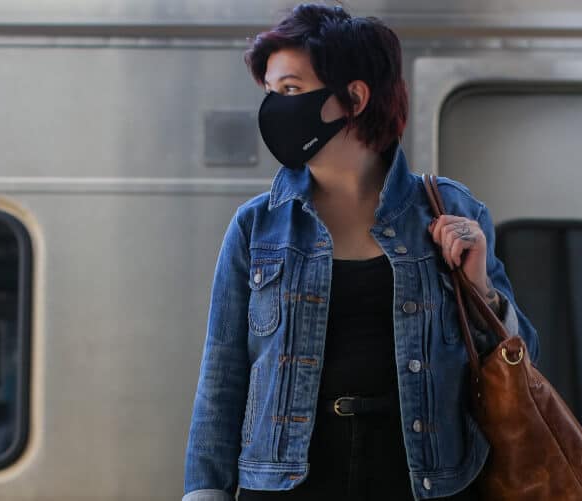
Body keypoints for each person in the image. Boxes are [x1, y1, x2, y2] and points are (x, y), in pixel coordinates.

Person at [183, 4, 539, 501]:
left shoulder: (452, 211)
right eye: (270, 92)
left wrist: (482, 290)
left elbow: (521, 364)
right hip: (286, 487)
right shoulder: (256, 226)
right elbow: (222, 378)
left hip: (426, 483)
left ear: (354, 98)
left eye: (291, 90)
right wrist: (205, 492)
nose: (274, 109)